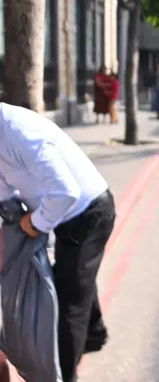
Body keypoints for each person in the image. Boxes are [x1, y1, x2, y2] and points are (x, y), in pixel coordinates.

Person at [0, 103, 115, 382]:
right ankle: (95, 332)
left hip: (88, 214)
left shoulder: (20, 131)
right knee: (75, 274)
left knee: (69, 304)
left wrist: (35, 223)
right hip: (62, 216)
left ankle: (63, 374)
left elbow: (66, 192)